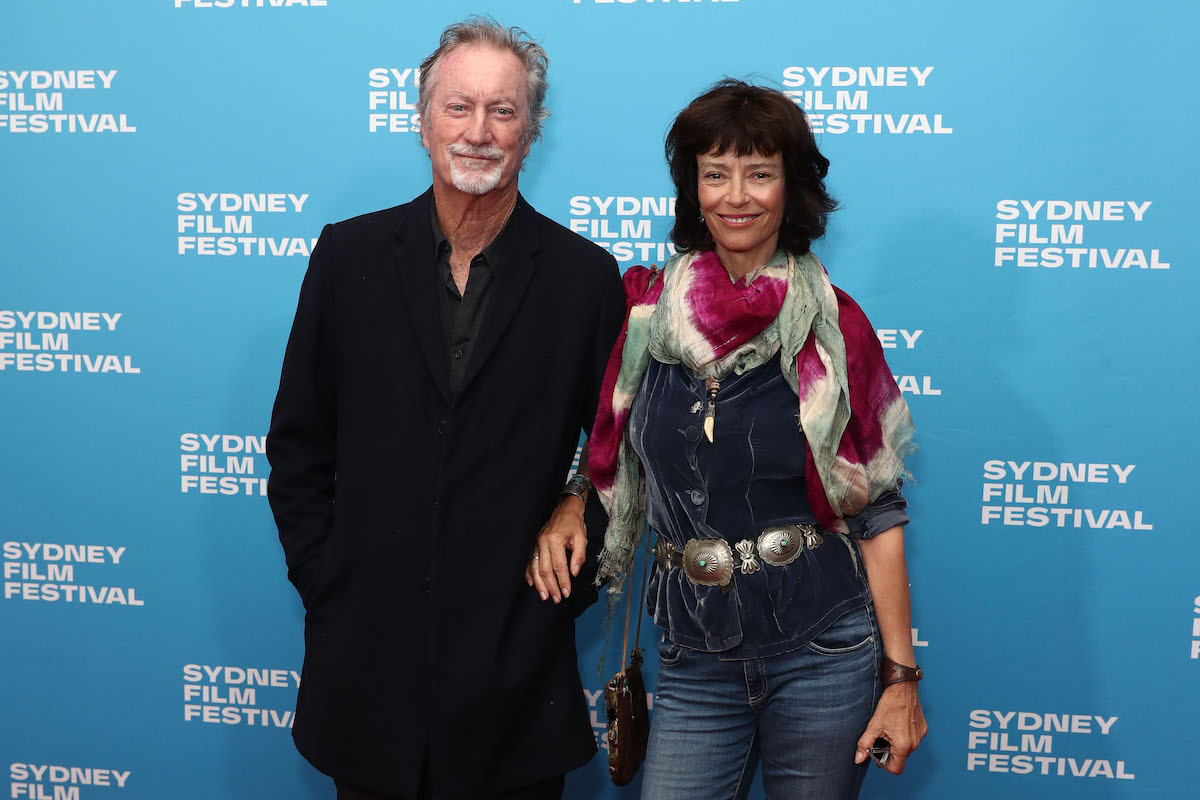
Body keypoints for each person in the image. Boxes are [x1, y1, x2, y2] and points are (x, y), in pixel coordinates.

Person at [266, 17, 625, 800]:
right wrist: (330, 584)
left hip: (515, 678)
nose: (479, 132)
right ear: (423, 123)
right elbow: (298, 446)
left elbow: (622, 452)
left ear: (532, 131)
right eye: (458, 108)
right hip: (366, 670)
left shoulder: (585, 278)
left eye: (503, 110)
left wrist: (564, 564)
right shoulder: (346, 257)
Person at [551, 79, 929, 798]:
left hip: (823, 651)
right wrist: (573, 501)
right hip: (694, 655)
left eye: (760, 173)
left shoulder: (833, 327)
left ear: (791, 189)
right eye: (715, 172)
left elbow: (877, 512)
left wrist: (901, 678)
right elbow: (610, 449)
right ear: (692, 187)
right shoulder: (645, 317)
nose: (737, 195)